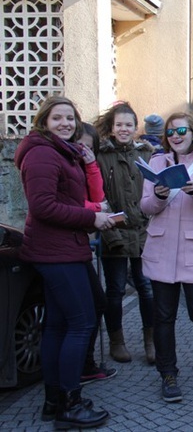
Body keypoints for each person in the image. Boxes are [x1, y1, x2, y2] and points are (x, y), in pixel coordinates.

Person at [15, 95, 111, 428]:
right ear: (44, 121)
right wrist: (92, 218)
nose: (66, 124)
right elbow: (43, 207)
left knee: (57, 325)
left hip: (61, 249)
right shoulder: (43, 152)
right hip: (57, 252)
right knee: (81, 324)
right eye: (58, 118)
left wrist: (88, 166)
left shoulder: (61, 151)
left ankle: (54, 400)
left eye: (70, 118)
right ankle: (69, 405)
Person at [140, 112, 193, 402]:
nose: (175, 136)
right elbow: (146, 207)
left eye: (181, 130)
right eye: (170, 132)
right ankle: (168, 374)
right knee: (163, 318)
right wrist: (160, 197)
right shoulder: (155, 163)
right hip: (161, 249)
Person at [94, 102, 156, 365]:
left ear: (135, 127)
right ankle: (117, 342)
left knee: (147, 288)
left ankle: (151, 342)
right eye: (119, 124)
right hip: (114, 233)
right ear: (111, 127)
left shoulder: (146, 154)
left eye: (128, 125)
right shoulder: (100, 156)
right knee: (116, 290)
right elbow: (99, 198)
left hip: (143, 232)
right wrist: (111, 236)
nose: (123, 129)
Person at [77, 123, 118, 385]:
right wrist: (95, 209)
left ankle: (85, 365)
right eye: (80, 146)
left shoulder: (84, 165)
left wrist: (91, 166)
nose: (84, 151)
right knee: (84, 310)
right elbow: (72, 203)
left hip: (79, 244)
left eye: (89, 148)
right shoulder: (59, 163)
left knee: (96, 303)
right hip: (62, 248)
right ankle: (79, 370)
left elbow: (98, 195)